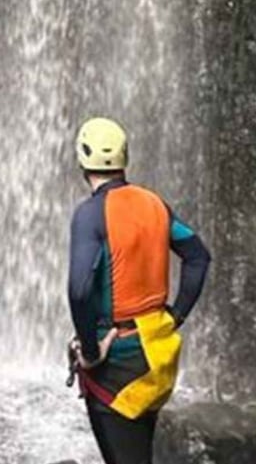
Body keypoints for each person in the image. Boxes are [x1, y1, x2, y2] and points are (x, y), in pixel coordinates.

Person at [67, 117, 211, 464]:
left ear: (81, 159)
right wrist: (174, 318)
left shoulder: (90, 214)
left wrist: (89, 349)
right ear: (124, 157)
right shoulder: (154, 205)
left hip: (117, 360)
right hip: (154, 350)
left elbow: (79, 289)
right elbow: (198, 257)